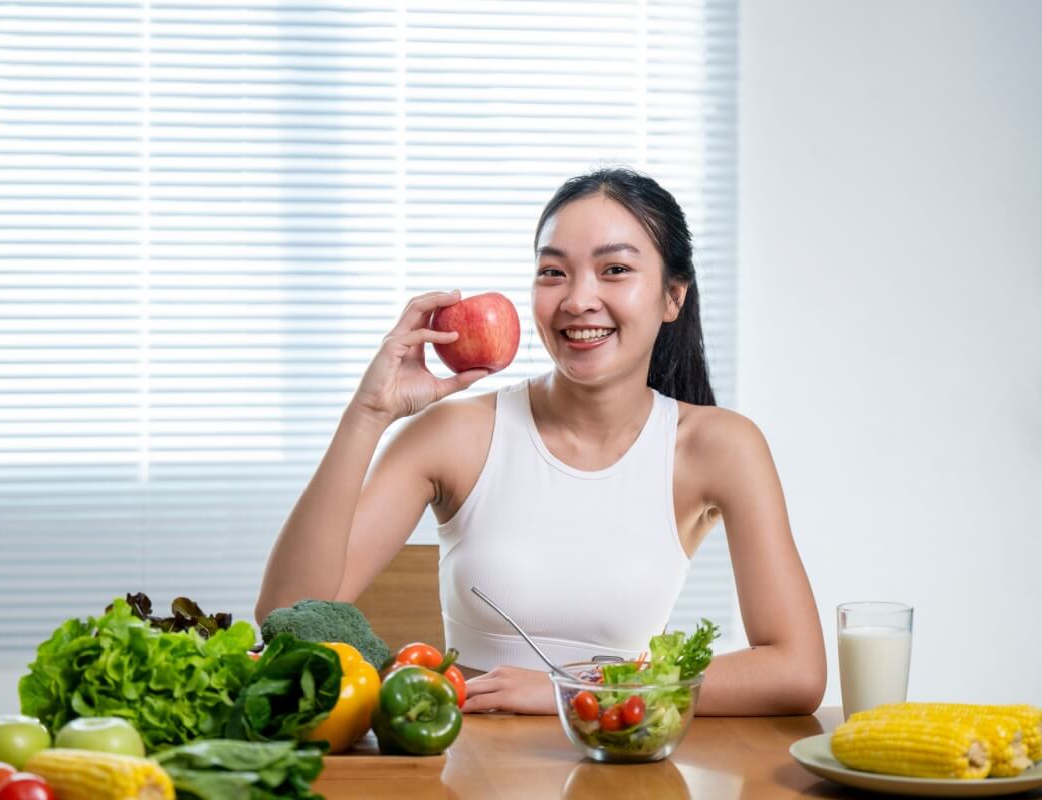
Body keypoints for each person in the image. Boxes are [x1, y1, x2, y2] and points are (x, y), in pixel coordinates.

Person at [256, 167, 826, 716]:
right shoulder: (454, 435)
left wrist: (573, 690)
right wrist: (368, 413)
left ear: (672, 296)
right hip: (469, 756)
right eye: (553, 272)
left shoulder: (719, 446)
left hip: (618, 754)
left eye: (615, 270)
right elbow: (287, 614)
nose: (578, 300)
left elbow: (796, 670)